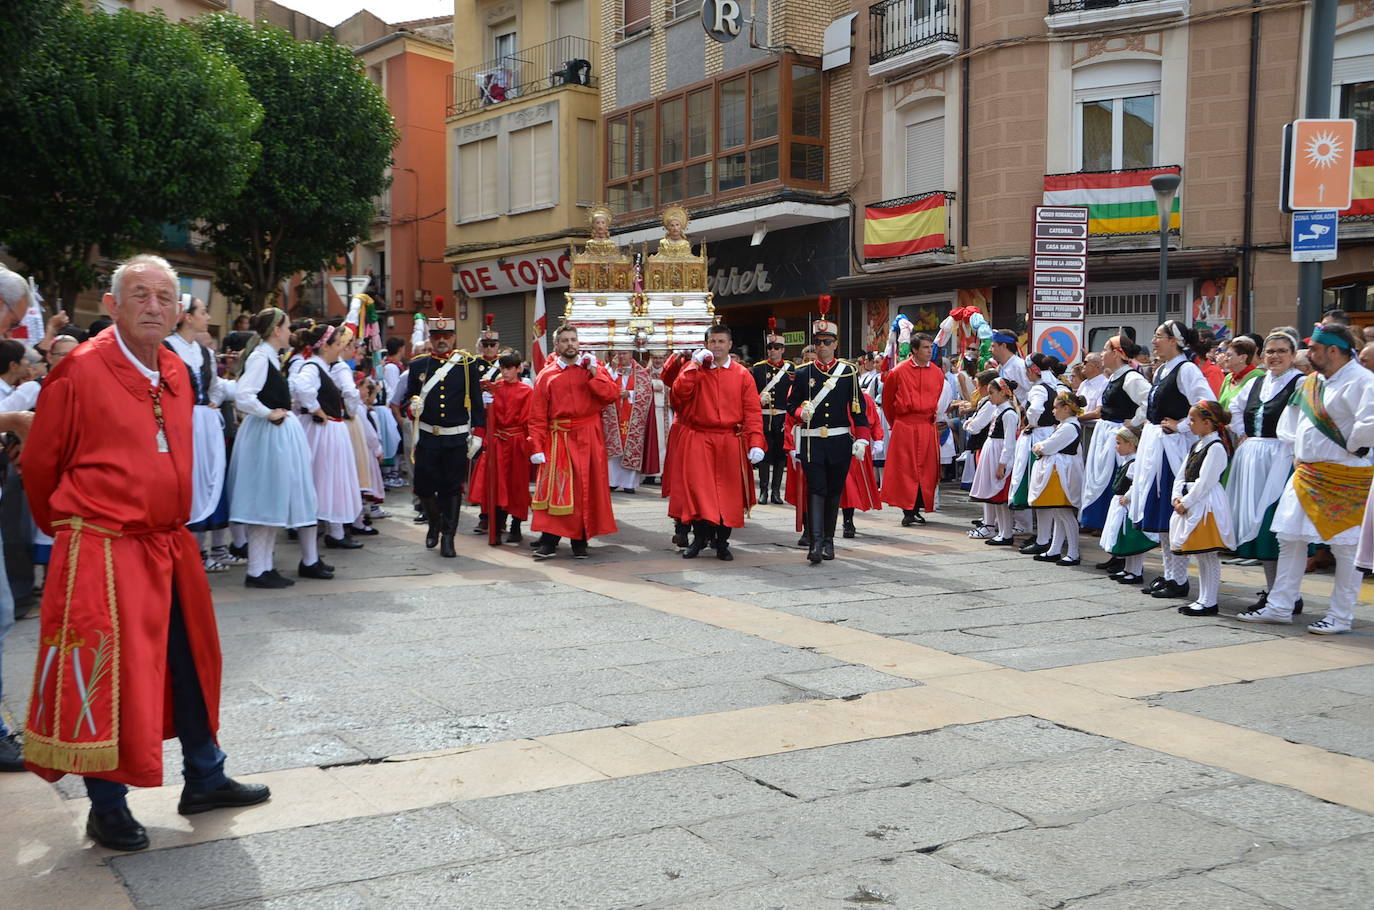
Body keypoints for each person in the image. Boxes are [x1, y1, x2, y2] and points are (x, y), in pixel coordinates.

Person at [21, 254, 268, 849]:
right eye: (140, 295)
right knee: (109, 676)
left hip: (168, 544)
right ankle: (106, 805)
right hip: (103, 548)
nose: (154, 306)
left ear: (179, 308)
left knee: (190, 661)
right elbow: (39, 463)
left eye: (165, 297)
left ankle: (205, 776)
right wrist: (74, 529)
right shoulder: (78, 370)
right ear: (112, 304)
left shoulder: (178, 371)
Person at [1236, 323, 1374, 634]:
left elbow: (1370, 424)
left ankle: (1340, 616)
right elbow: (1290, 421)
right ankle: (1280, 606)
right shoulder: (1310, 383)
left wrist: (1352, 446)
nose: (1307, 354)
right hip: (1307, 473)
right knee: (1289, 538)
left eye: (1313, 349)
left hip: (1345, 475)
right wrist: (1298, 448)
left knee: (1345, 547)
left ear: (1333, 351)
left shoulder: (1363, 382)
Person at [226, 308, 320, 586]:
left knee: (271, 501)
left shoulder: (268, 357)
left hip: (272, 436)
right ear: (276, 330)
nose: (291, 332)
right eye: (287, 326)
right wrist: (268, 413)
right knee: (264, 501)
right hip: (266, 437)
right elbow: (243, 395)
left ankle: (264, 566)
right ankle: (257, 569)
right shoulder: (259, 358)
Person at [1130, 320, 1214, 600]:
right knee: (1162, 515)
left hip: (1174, 449)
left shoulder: (1186, 369)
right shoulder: (1163, 369)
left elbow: (1207, 404)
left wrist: (1182, 426)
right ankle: (1170, 576)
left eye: (1159, 336)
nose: (1154, 342)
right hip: (1158, 445)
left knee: (1171, 513)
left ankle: (1179, 579)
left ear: (1175, 340)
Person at [667, 325, 765, 560]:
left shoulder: (742, 374)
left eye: (722, 341)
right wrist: (693, 366)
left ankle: (722, 542)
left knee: (729, 495)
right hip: (700, 437)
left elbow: (752, 411)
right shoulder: (697, 370)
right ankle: (699, 539)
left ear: (730, 345)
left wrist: (756, 442)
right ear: (706, 344)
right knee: (700, 492)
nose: (717, 346)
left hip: (730, 439)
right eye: (713, 341)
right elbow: (678, 396)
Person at [1226, 332, 1303, 614]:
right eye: (1270, 351)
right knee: (1259, 529)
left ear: (1293, 355)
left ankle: (1287, 594)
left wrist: (1290, 443)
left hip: (1281, 459)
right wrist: (1244, 432)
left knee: (1275, 527)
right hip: (1253, 459)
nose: (1275, 356)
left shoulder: (1300, 382)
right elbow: (1233, 409)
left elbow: (1305, 419)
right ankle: (1275, 592)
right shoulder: (1256, 381)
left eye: (1282, 351)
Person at [786, 300, 868, 564]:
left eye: (827, 341)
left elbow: (859, 410)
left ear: (835, 344)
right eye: (818, 341)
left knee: (834, 490)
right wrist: (800, 413)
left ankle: (830, 542)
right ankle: (816, 542)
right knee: (816, 489)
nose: (822, 346)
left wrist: (864, 439)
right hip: (812, 441)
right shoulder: (802, 373)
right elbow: (790, 405)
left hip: (840, 440)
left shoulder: (848, 373)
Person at [528, 324, 619, 558]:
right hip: (558, 438)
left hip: (589, 436)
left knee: (585, 489)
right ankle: (549, 540)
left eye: (573, 340)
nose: (570, 344)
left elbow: (610, 395)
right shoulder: (546, 376)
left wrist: (594, 374)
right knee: (555, 489)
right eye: (565, 340)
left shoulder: (593, 368)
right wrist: (536, 446)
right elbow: (537, 415)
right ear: (557, 346)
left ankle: (580, 540)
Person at [405, 307, 484, 558]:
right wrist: (412, 407)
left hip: (455, 438)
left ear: (453, 337)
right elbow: (408, 399)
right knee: (424, 488)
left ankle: (448, 537)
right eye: (437, 336)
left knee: (452, 489)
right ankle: (434, 523)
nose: (441, 340)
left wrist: (479, 433)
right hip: (428, 437)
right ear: (430, 337)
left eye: (446, 336)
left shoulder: (466, 364)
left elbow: (477, 402)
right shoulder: (419, 364)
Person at [165, 297, 236, 573]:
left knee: (208, 477)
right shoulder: (167, 348)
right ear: (187, 316)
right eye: (203, 312)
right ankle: (188, 549)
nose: (207, 317)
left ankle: (203, 548)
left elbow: (215, 386)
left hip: (204, 422)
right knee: (187, 479)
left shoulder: (203, 352)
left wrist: (214, 401)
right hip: (181, 421)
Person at [1171, 401, 1236, 616]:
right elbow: (1182, 473)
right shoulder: (1197, 445)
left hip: (1205, 504)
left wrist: (1186, 502)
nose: (1189, 424)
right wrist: (1177, 496)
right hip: (1191, 501)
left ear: (1207, 423)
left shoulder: (1216, 447)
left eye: (1193, 420)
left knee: (1208, 555)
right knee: (1201, 555)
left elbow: (1205, 481)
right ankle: (1203, 598)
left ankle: (1209, 601)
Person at [1079, 336, 1148, 538]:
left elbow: (1149, 400)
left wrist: (1133, 422)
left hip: (1116, 436)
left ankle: (1112, 530)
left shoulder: (1131, 378)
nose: (1102, 353)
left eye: (1106, 349)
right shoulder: (1115, 376)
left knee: (1112, 479)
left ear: (1117, 353)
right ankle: (1100, 524)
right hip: (1105, 433)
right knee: (1098, 477)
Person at [879, 332, 951, 526]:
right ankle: (907, 510)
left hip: (926, 425)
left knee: (926, 470)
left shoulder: (937, 373)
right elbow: (887, 402)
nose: (930, 351)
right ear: (914, 350)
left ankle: (918, 507)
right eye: (926, 348)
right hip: (905, 424)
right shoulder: (898, 372)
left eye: (930, 347)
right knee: (905, 469)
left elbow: (938, 399)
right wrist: (897, 423)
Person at [469, 351, 533, 545]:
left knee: (517, 485)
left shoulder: (526, 391)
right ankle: (496, 526)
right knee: (496, 485)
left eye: (509, 369)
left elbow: (529, 421)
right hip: (497, 442)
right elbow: (485, 418)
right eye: (503, 368)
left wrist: (531, 446)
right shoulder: (493, 389)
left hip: (516, 442)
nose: (505, 372)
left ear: (518, 369)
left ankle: (516, 527)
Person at [1013, 354, 1068, 552]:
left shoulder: (1038, 388)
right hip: (1049, 434)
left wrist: (1031, 423)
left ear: (1031, 370)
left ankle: (1044, 539)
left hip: (1038, 438)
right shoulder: (1055, 386)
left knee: (1038, 488)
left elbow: (1035, 409)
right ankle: (1047, 537)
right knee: (1045, 489)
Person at [1028, 391, 1086, 566]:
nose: (1052, 411)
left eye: (1055, 408)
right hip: (1060, 472)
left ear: (1066, 408)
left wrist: (1039, 446)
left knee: (1064, 513)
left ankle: (1074, 552)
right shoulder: (1065, 425)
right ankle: (1054, 549)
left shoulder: (1069, 427)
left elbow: (1048, 446)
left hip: (1064, 474)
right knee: (1057, 512)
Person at [968, 376, 1020, 546]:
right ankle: (1003, 532)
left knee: (1002, 499)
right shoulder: (999, 410)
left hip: (999, 457)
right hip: (993, 454)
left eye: (992, 393)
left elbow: (1009, 442)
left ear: (1002, 393)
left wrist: (1002, 464)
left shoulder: (1009, 414)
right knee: (997, 499)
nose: (989, 396)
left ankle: (1006, 533)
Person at [1101, 425, 1156, 585]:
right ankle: (1128, 569)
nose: (1116, 447)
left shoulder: (1134, 462)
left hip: (1129, 507)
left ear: (1130, 444)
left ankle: (1136, 571)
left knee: (1133, 540)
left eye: (1119, 443)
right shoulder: (1128, 461)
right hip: (1121, 505)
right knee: (1127, 540)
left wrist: (1128, 496)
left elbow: (1138, 483)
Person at [602, 350, 659, 494]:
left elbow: (646, 392)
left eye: (624, 353)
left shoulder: (641, 373)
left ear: (631, 355)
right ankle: (612, 481)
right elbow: (603, 385)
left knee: (631, 449)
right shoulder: (610, 369)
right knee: (614, 448)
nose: (621, 356)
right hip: (614, 415)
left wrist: (629, 394)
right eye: (618, 354)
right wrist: (613, 370)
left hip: (633, 417)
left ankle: (629, 483)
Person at [751, 319, 793, 506]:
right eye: (770, 347)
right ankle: (764, 491)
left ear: (783, 349)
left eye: (777, 347)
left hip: (782, 418)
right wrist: (758, 400)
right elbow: (749, 394)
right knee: (764, 456)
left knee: (779, 456)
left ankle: (776, 492)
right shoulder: (758, 369)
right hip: (764, 417)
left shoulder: (791, 369)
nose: (773, 350)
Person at [841, 385, 884, 538]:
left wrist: (878, 438)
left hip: (857, 447)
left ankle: (848, 520)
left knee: (850, 488)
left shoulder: (864, 399)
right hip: (836, 444)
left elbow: (874, 421)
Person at [1217, 336, 1261, 412]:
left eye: (1229, 355)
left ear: (1243, 357)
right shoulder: (1229, 377)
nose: (1225, 359)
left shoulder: (1258, 376)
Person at [990, 331, 1030, 406]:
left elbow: (1031, 390)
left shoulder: (1019, 366)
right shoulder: (1001, 367)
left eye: (993, 346)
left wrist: (1022, 408)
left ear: (1003, 346)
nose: (990, 349)